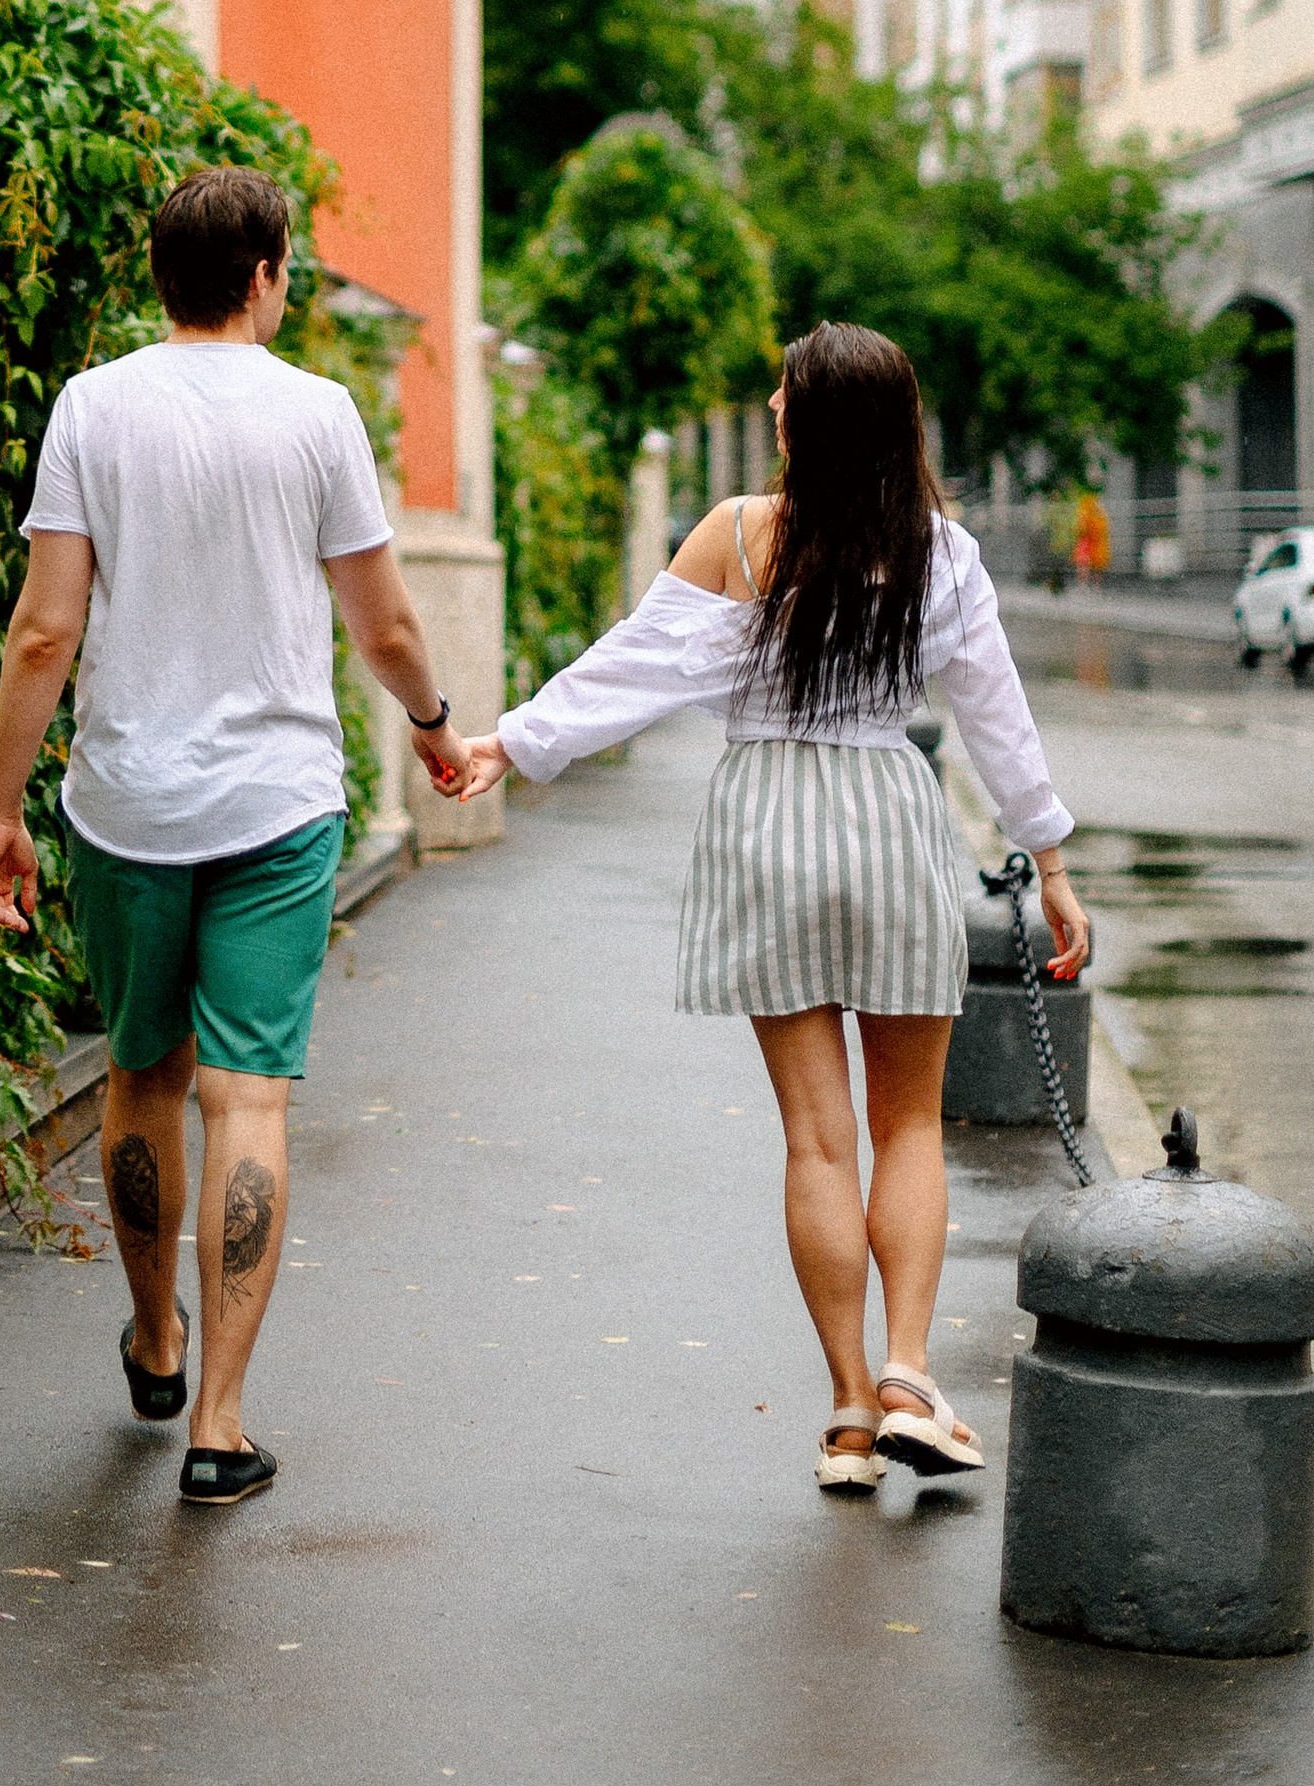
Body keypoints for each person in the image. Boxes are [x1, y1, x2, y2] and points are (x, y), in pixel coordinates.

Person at [459, 319, 1088, 1495]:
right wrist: (1045, 855)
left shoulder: (740, 537)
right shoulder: (941, 552)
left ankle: (849, 1410)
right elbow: (995, 714)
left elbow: (630, 666)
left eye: (781, 393)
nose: (768, 401)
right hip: (889, 816)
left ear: (801, 420)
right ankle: (909, 1368)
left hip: (767, 821)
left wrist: (516, 740)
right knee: (908, 1124)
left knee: (815, 1136)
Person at [0, 167, 469, 1507]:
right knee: (248, 1095)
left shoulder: (94, 405)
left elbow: (42, 628)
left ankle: (152, 1338)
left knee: (141, 1073)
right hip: (275, 805)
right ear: (264, 275)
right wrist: (431, 723)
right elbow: (381, 620)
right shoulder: (318, 415)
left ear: (159, 277)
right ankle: (221, 1424)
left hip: (127, 801)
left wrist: (4, 808)